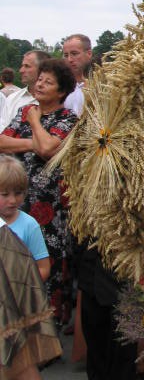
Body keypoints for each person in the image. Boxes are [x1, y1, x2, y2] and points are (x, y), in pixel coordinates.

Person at [0, 58, 77, 324]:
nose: (40, 84)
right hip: (16, 202)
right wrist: (35, 142)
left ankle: (46, 327)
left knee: (47, 263)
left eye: (48, 82)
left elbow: (48, 150)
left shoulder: (68, 119)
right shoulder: (24, 111)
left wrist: (34, 122)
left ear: (62, 91)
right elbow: (2, 142)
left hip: (48, 207)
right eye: (40, 79)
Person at [0, 155, 62, 379]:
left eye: (18, 193)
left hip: (20, 310)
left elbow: (43, 267)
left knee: (22, 362)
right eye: (4, 194)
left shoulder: (29, 225)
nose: (12, 200)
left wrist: (23, 286)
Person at [0, 51, 50, 133]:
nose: (21, 70)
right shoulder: (12, 98)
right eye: (22, 66)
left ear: (43, 69)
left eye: (27, 66)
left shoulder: (55, 101)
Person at [63, 34, 92, 116]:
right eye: (66, 55)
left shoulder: (102, 87)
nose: (69, 59)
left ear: (89, 54)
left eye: (74, 54)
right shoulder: (59, 87)